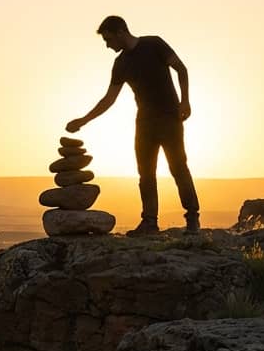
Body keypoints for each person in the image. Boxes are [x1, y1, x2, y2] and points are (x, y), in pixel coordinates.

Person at [66, 15, 200, 236]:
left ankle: (192, 218)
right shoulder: (120, 64)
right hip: (144, 123)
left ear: (121, 32)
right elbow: (109, 99)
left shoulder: (154, 44)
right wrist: (84, 120)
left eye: (108, 39)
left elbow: (181, 69)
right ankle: (149, 223)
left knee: (178, 167)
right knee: (146, 174)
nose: (107, 46)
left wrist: (185, 101)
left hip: (170, 118)